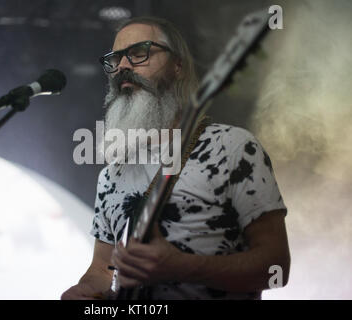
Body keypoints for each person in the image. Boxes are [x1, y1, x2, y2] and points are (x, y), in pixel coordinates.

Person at [61, 16, 290, 300]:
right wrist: (84, 290)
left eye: (138, 53)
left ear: (177, 66)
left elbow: (276, 269)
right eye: (116, 59)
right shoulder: (111, 175)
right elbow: (101, 270)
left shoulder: (233, 147)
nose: (122, 66)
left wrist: (181, 267)